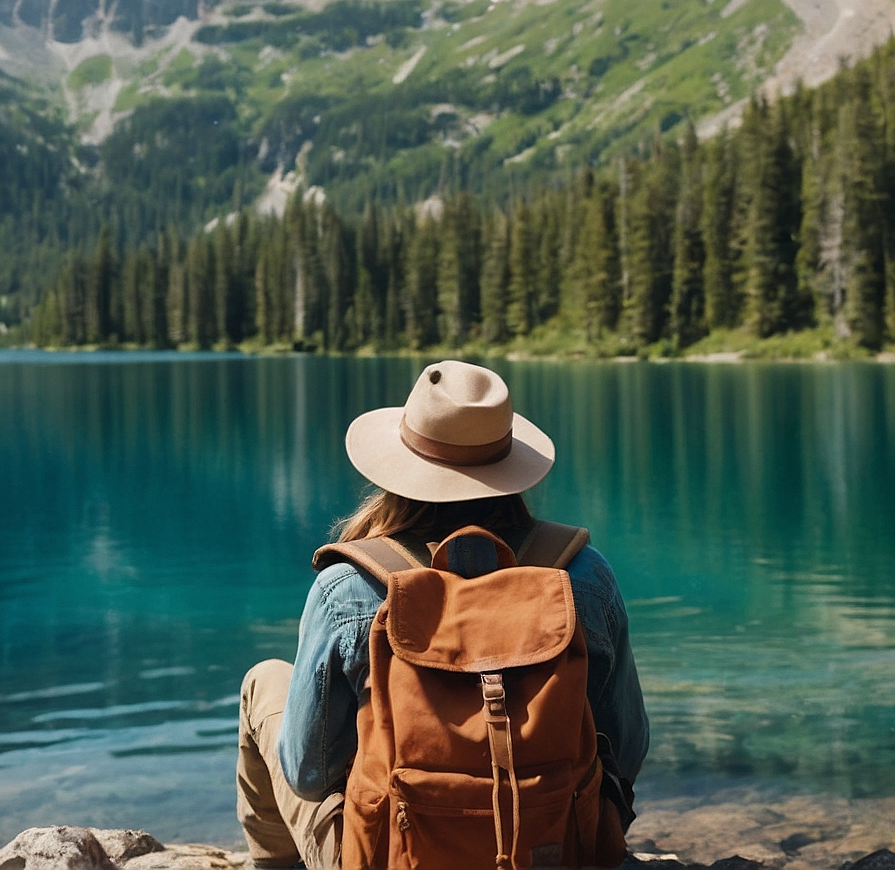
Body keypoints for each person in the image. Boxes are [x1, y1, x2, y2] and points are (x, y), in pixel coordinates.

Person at [236, 360, 650, 870]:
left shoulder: (347, 587)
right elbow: (626, 751)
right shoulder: (583, 576)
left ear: (399, 470)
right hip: (557, 848)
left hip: (392, 853)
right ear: (510, 466)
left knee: (264, 680)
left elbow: (307, 773)